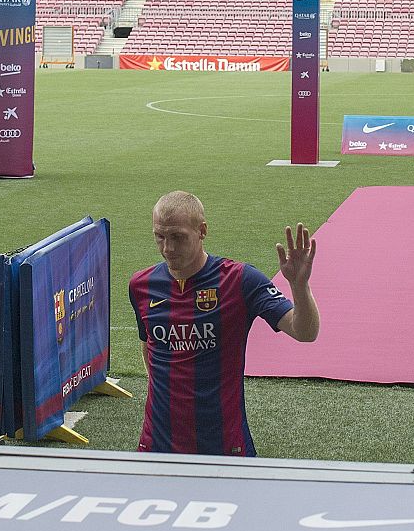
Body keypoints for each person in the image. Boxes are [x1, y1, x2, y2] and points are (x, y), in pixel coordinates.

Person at [129, 191, 319, 457]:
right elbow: (149, 350)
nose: (168, 248)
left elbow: (305, 332)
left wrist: (300, 286)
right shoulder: (141, 286)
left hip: (225, 445)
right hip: (158, 444)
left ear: (202, 230)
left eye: (178, 237)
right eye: (160, 236)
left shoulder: (241, 280)